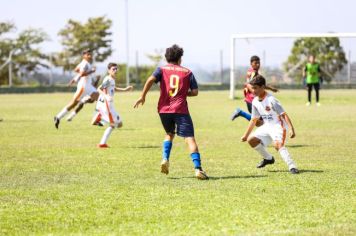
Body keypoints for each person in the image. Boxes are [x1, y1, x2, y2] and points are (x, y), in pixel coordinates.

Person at [133, 44, 208, 180]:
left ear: (167, 58)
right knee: (189, 138)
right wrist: (184, 93)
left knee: (169, 134)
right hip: (180, 109)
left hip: (163, 109)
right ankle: (198, 169)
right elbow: (195, 92)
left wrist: (143, 96)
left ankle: (165, 158)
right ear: (180, 58)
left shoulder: (161, 69)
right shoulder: (187, 72)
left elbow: (150, 79)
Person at [241, 75, 299, 174]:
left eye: (255, 88)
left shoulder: (271, 100)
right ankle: (268, 158)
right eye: (252, 88)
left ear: (263, 87)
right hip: (266, 126)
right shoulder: (255, 101)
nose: (253, 91)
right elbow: (253, 120)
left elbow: (283, 114)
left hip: (278, 126)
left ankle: (292, 166)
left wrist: (291, 129)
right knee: (251, 140)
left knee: (277, 145)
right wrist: (246, 136)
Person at [54, 49, 99, 129]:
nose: (90, 56)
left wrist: (74, 79)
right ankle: (58, 117)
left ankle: (97, 118)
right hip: (83, 87)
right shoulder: (85, 64)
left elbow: (76, 69)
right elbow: (81, 74)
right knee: (73, 104)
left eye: (90, 54)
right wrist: (91, 71)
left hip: (88, 86)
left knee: (99, 99)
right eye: (88, 54)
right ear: (84, 56)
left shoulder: (84, 63)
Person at [92, 63, 133, 148]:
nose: (115, 70)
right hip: (107, 104)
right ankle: (100, 119)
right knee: (114, 124)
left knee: (119, 124)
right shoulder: (108, 79)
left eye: (116, 69)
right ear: (109, 70)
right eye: (113, 69)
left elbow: (113, 88)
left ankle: (100, 118)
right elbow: (99, 89)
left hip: (109, 105)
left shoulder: (112, 79)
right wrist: (106, 96)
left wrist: (125, 89)